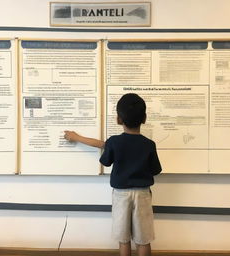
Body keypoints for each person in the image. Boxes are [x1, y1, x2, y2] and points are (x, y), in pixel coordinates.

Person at [64, 93, 162, 256]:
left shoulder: (114, 142)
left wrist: (76, 137)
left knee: (123, 238)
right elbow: (155, 170)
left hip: (121, 195)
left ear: (118, 119)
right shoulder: (149, 144)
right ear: (144, 118)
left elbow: (106, 160)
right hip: (143, 194)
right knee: (143, 239)